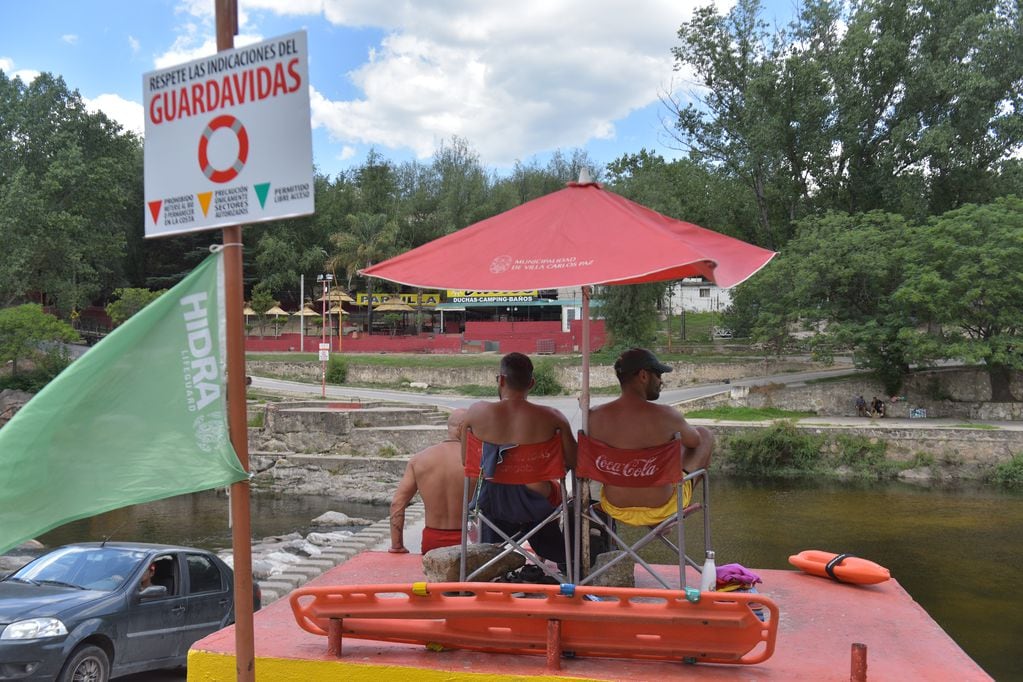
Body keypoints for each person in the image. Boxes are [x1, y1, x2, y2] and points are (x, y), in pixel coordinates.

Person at [462, 352, 576, 566]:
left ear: (501, 380)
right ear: (531, 383)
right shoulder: (553, 417)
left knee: (496, 488)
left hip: (490, 500)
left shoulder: (476, 413)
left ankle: (488, 557)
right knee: (551, 489)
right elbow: (573, 461)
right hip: (537, 501)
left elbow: (466, 461)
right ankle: (562, 558)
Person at [587, 348, 713, 523]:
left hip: (615, 507)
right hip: (664, 507)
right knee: (705, 435)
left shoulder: (594, 417)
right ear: (643, 376)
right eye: (658, 375)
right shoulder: (667, 415)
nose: (661, 382)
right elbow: (695, 441)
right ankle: (664, 522)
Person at [389, 409, 469, 555]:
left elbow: (397, 503)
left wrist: (397, 545)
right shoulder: (476, 460)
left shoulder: (419, 459)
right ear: (463, 427)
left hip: (432, 539)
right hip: (467, 541)